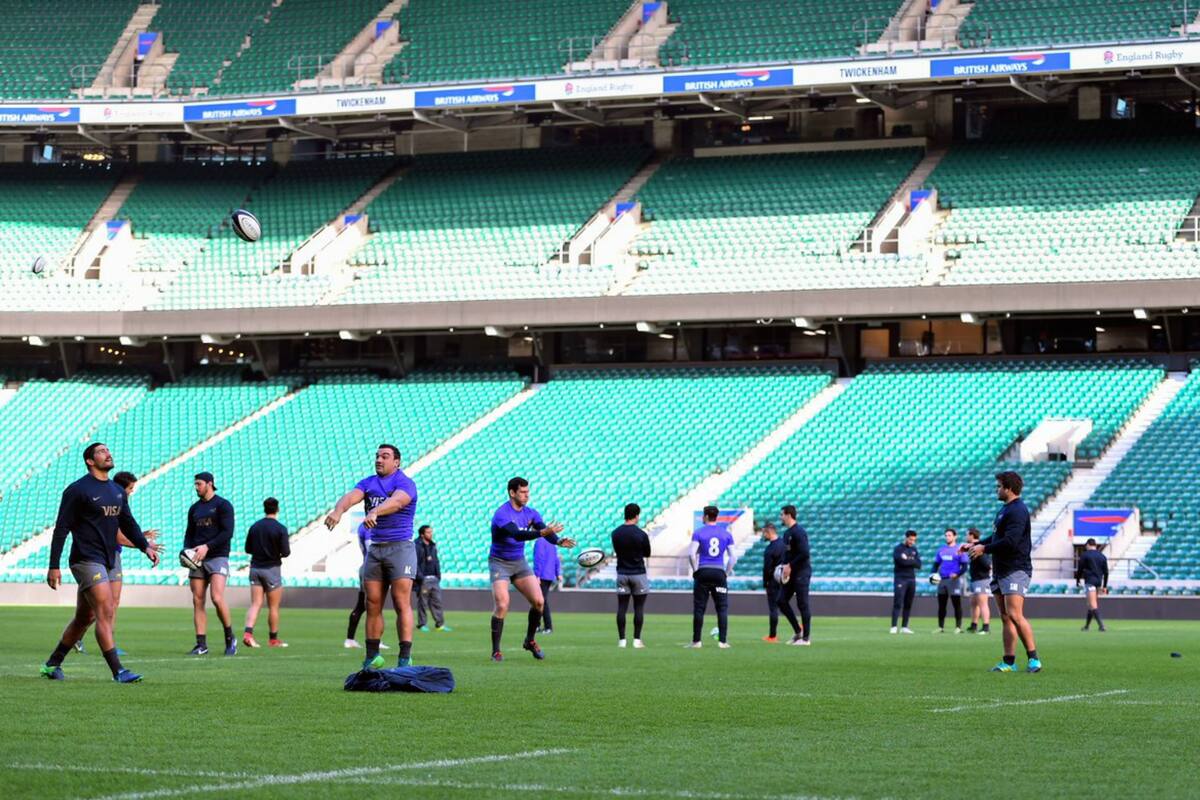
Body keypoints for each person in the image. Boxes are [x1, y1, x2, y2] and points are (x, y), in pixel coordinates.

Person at [40, 443, 159, 683]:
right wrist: (54, 565)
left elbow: (128, 523)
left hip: (108, 559)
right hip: (86, 559)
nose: (108, 453)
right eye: (102, 451)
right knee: (105, 610)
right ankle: (119, 671)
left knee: (85, 617)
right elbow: (62, 528)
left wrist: (144, 546)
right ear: (90, 461)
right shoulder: (78, 490)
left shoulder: (116, 490)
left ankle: (52, 665)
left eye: (109, 450)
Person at [325, 444, 418, 670]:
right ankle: (372, 656)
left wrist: (375, 511)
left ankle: (404, 657)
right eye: (377, 456)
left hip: (400, 548)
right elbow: (350, 497)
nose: (379, 459)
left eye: (385, 456)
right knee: (372, 603)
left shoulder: (405, 483)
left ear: (396, 462)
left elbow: (397, 502)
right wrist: (338, 511)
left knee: (400, 602)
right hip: (375, 550)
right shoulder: (368, 483)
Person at [487, 477, 575, 661]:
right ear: (512, 493)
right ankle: (496, 651)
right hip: (500, 563)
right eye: (523, 492)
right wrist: (542, 533)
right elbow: (518, 535)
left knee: (539, 602)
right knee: (502, 604)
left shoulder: (531, 513)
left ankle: (530, 641)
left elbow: (545, 530)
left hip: (519, 562)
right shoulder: (502, 513)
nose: (527, 495)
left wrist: (557, 540)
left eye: (528, 491)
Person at [966, 470, 1040, 673]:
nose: (996, 490)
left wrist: (984, 549)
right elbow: (997, 536)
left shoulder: (1018, 510)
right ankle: (1009, 662)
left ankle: (1034, 659)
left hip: (1016, 568)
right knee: (1006, 617)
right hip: (1001, 569)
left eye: (999, 486)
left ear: (1009, 488)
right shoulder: (1005, 510)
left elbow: (1011, 541)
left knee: (1015, 614)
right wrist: (976, 544)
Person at [104, 471, 159, 656]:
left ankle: (110, 644)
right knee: (100, 605)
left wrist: (141, 538)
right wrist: (145, 546)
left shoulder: (121, 504)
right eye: (130, 489)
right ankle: (80, 637)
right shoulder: (111, 503)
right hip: (102, 556)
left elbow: (125, 531)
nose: (131, 493)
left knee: (113, 602)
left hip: (115, 555)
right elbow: (118, 536)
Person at [184, 471, 236, 656]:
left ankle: (230, 637)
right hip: (197, 559)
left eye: (199, 484)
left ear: (210, 483)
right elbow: (189, 534)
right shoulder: (194, 508)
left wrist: (207, 546)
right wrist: (186, 552)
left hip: (217, 556)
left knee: (216, 597)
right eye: (195, 484)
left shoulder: (223, 505)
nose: (196, 487)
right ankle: (201, 644)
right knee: (198, 600)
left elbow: (227, 533)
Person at [242, 497, 291, 649]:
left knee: (256, 603)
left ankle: (248, 634)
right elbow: (286, 552)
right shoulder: (280, 528)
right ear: (277, 509)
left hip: (255, 568)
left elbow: (248, 549)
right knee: (273, 606)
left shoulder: (255, 526)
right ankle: (273, 639)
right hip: (272, 569)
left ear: (264, 508)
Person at [688, 506, 736, 649]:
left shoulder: (698, 533)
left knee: (699, 608)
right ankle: (723, 641)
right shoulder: (726, 534)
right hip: (718, 572)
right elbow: (733, 557)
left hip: (703, 571)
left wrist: (696, 570)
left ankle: (697, 641)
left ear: (706, 516)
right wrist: (726, 573)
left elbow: (691, 554)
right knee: (722, 608)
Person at [612, 503, 652, 648]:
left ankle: (622, 640)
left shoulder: (615, 533)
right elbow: (647, 553)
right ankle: (636, 640)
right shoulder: (641, 534)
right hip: (638, 574)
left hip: (622, 573)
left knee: (622, 607)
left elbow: (617, 550)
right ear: (637, 515)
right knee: (639, 608)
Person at [778, 505, 813, 646]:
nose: (780, 517)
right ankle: (798, 631)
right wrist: (783, 566)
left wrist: (790, 565)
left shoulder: (799, 532)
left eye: (782, 514)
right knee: (781, 600)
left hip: (801, 572)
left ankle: (806, 639)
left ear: (788, 515)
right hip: (791, 574)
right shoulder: (787, 534)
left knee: (802, 603)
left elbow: (805, 553)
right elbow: (788, 554)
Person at [932, 528, 968, 634]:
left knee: (956, 604)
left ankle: (958, 627)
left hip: (954, 581)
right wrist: (932, 575)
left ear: (955, 536)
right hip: (942, 581)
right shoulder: (941, 550)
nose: (947, 537)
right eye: (946, 535)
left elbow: (965, 567)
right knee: (941, 605)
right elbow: (935, 565)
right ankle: (940, 627)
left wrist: (957, 574)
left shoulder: (959, 550)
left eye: (949, 535)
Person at [415, 524, 450, 632]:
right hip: (423, 579)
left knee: (437, 602)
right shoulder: (417, 546)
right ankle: (422, 624)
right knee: (423, 603)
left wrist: (438, 575)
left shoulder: (432, 545)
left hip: (434, 579)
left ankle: (440, 624)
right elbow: (415, 562)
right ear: (422, 534)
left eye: (431, 532)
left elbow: (436, 561)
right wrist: (420, 577)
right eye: (428, 532)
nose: (431, 534)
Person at [1076, 538, 1109, 632]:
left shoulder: (1085, 555)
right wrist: (1105, 586)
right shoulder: (1102, 556)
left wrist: (1077, 580)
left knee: (1093, 604)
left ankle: (1101, 625)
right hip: (1099, 582)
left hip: (1090, 581)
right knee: (1090, 605)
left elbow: (1080, 569)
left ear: (1088, 545)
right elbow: (1106, 572)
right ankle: (1086, 626)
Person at [890, 530, 920, 633]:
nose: (912, 542)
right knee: (898, 602)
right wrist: (911, 561)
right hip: (900, 578)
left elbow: (919, 564)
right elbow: (900, 562)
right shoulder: (898, 549)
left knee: (908, 603)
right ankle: (894, 626)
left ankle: (904, 627)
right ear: (906, 538)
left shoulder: (914, 549)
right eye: (910, 539)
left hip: (911, 579)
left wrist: (908, 560)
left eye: (914, 540)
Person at [760, 523, 785, 642]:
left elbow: (767, 569)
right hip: (785, 580)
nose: (763, 535)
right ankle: (799, 626)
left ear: (769, 532)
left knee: (773, 608)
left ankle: (772, 636)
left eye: (764, 532)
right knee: (785, 605)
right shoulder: (784, 544)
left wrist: (765, 583)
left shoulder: (770, 549)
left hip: (774, 582)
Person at [965, 528, 992, 634]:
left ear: (972, 535)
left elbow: (987, 564)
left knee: (983, 603)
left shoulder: (979, 549)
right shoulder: (973, 547)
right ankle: (974, 625)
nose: (966, 536)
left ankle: (986, 627)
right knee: (973, 603)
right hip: (974, 579)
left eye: (967, 535)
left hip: (982, 579)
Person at [533, 533, 561, 635]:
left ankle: (547, 627)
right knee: (541, 600)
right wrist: (558, 573)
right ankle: (537, 625)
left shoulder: (540, 541)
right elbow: (556, 559)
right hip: (550, 575)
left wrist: (537, 575)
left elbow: (538, 558)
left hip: (542, 575)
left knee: (541, 601)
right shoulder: (552, 543)